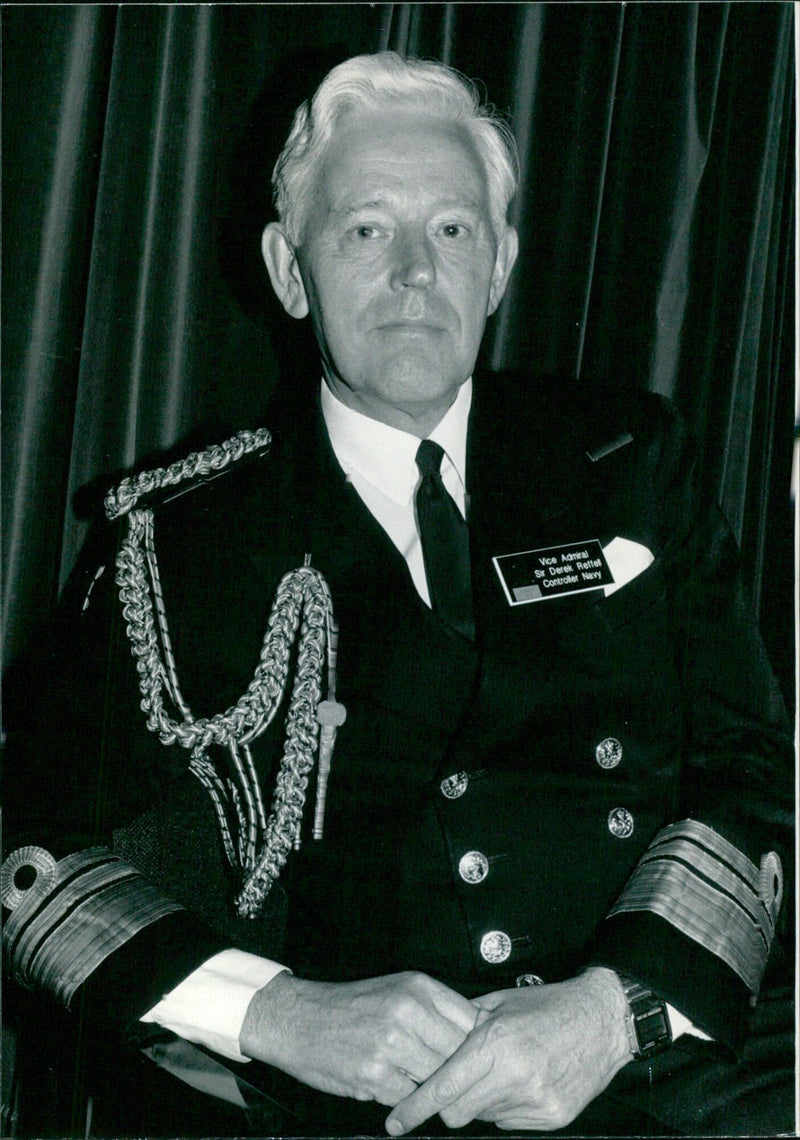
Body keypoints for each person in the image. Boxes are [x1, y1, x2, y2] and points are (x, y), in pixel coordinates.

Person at [2, 52, 793, 1138]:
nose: (417, 272)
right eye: (367, 230)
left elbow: (750, 768)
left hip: (673, 1062)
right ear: (289, 270)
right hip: (374, 1102)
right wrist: (270, 1011)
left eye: (454, 231)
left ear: (502, 263)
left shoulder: (626, 462)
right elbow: (29, 852)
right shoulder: (180, 539)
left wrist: (616, 1010)